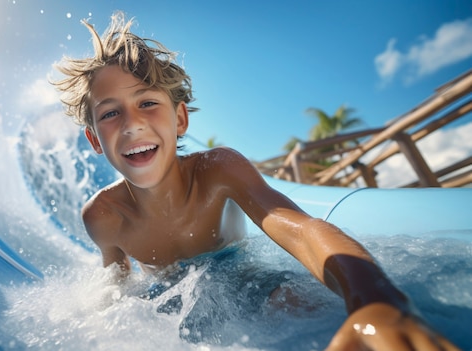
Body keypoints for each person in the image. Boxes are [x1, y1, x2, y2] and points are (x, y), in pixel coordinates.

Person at [53, 12, 460, 351]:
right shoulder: (103, 217)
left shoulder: (218, 171)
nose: (132, 124)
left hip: (243, 277)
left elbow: (300, 230)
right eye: (110, 113)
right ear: (93, 139)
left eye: (147, 103)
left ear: (180, 119)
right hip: (170, 300)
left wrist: (376, 299)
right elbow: (116, 291)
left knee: (296, 302)